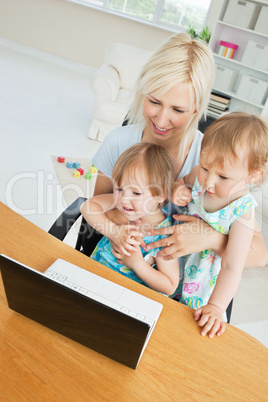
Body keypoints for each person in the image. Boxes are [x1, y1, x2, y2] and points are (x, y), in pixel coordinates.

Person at [83, 33, 267, 282]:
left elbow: (260, 255)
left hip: (174, 288)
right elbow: (102, 209)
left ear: (196, 108)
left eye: (178, 110)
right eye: (154, 101)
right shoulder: (118, 141)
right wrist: (127, 227)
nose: (160, 120)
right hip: (118, 267)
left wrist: (211, 238)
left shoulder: (213, 163)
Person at [171, 112, 268, 337]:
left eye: (223, 177)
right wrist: (180, 190)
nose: (209, 181)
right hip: (171, 265)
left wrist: (216, 307)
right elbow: (181, 182)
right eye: (205, 168)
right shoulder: (198, 176)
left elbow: (232, 266)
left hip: (201, 288)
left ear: (253, 176)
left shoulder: (243, 212)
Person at [82, 143, 180, 296]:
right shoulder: (120, 204)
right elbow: (87, 207)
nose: (124, 199)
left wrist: (137, 264)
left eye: (136, 193)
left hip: (125, 299)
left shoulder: (164, 235)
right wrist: (114, 232)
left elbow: (170, 285)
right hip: (92, 279)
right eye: (119, 188)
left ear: (160, 195)